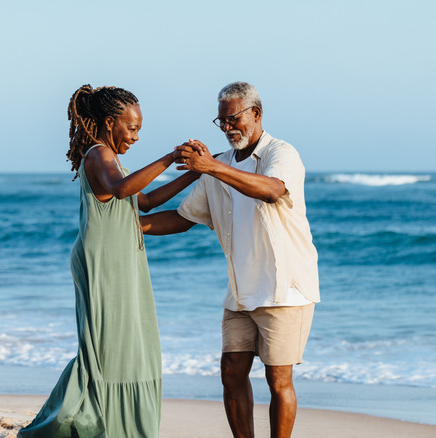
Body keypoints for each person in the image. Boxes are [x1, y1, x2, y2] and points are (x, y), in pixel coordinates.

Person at [18, 85, 199, 438]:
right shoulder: (99, 155)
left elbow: (143, 201)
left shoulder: (112, 161)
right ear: (108, 121)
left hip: (120, 261)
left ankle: (119, 426)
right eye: (131, 128)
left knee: (127, 344)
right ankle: (90, 425)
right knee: (105, 350)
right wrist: (168, 157)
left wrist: (194, 172)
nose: (134, 136)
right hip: (103, 264)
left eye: (139, 131)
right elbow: (122, 190)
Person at [141, 81, 320, 438]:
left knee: (278, 379)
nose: (227, 128)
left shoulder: (281, 153)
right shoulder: (217, 166)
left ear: (256, 114)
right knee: (231, 372)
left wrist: (211, 167)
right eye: (221, 121)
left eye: (233, 119)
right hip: (240, 291)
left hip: (285, 290)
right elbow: (184, 217)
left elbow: (271, 190)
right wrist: (128, 228)